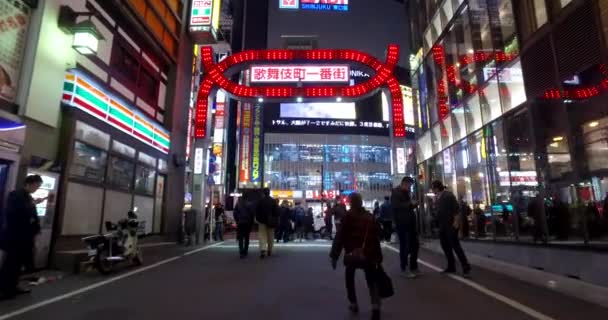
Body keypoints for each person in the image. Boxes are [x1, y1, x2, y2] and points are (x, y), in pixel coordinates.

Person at [330, 193, 383, 320]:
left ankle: (353, 303)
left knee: (349, 277)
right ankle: (375, 306)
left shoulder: (348, 216)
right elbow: (377, 237)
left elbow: (340, 237)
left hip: (352, 253)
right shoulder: (370, 217)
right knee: (371, 280)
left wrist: (334, 255)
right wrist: (378, 257)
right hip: (369, 254)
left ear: (351, 203)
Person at [0, 175, 44, 300]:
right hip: (15, 236)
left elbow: (31, 215)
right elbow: (14, 213)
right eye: (37, 185)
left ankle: (13, 286)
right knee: (11, 263)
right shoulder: (15, 194)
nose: (37, 188)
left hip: (25, 237)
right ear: (29, 183)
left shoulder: (28, 197)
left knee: (18, 264)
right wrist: (33, 204)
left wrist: (36, 229)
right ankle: (4, 288)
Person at [431, 180, 471, 277]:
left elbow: (456, 209)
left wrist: (456, 223)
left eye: (433, 188)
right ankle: (451, 266)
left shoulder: (448, 196)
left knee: (455, 246)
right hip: (442, 226)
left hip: (450, 225)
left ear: (436, 188)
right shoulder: (437, 197)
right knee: (445, 246)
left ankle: (465, 266)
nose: (432, 190)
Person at [391, 176, 419, 278]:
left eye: (410, 186)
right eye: (409, 185)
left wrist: (414, 204)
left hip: (411, 221)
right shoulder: (396, 192)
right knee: (405, 246)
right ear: (404, 183)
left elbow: (408, 206)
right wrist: (409, 203)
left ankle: (413, 266)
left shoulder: (406, 193)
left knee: (415, 245)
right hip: (402, 223)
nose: (409, 188)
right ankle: (404, 268)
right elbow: (396, 206)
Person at [256, 188, 278, 258]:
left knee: (262, 235)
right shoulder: (273, 201)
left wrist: (258, 219)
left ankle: (263, 249)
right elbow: (276, 212)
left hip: (262, 221)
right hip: (271, 221)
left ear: (263, 193)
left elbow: (257, 211)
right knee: (271, 236)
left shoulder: (260, 201)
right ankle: (270, 250)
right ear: (269, 193)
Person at [234, 192, 256, 258]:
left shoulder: (238, 203)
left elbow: (235, 212)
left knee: (240, 238)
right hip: (248, 223)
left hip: (240, 222)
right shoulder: (250, 204)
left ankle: (241, 252)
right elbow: (252, 214)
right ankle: (245, 251)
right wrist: (252, 223)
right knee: (247, 237)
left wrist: (237, 220)